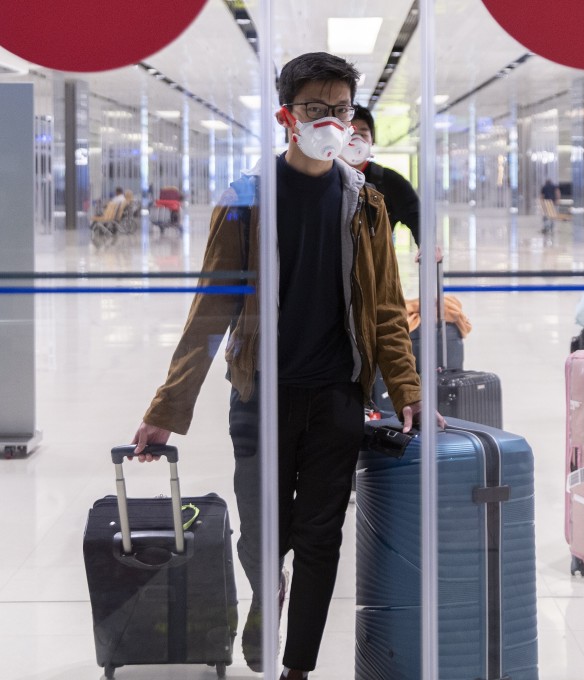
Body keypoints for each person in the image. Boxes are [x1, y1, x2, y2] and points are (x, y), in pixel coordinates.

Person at [129, 52, 441, 680]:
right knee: (262, 536)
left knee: (322, 538)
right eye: (315, 109)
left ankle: (297, 667)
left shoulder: (367, 205)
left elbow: (383, 309)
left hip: (335, 398)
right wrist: (168, 409)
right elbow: (210, 311)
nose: (330, 122)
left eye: (341, 110)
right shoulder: (247, 200)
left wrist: (406, 386)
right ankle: (265, 591)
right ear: (286, 116)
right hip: (261, 397)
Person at [342, 104, 422, 249]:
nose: (357, 140)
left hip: (377, 267)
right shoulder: (325, 178)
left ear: (372, 140)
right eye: (351, 134)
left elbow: (417, 216)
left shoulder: (389, 181)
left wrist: (426, 245)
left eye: (363, 134)